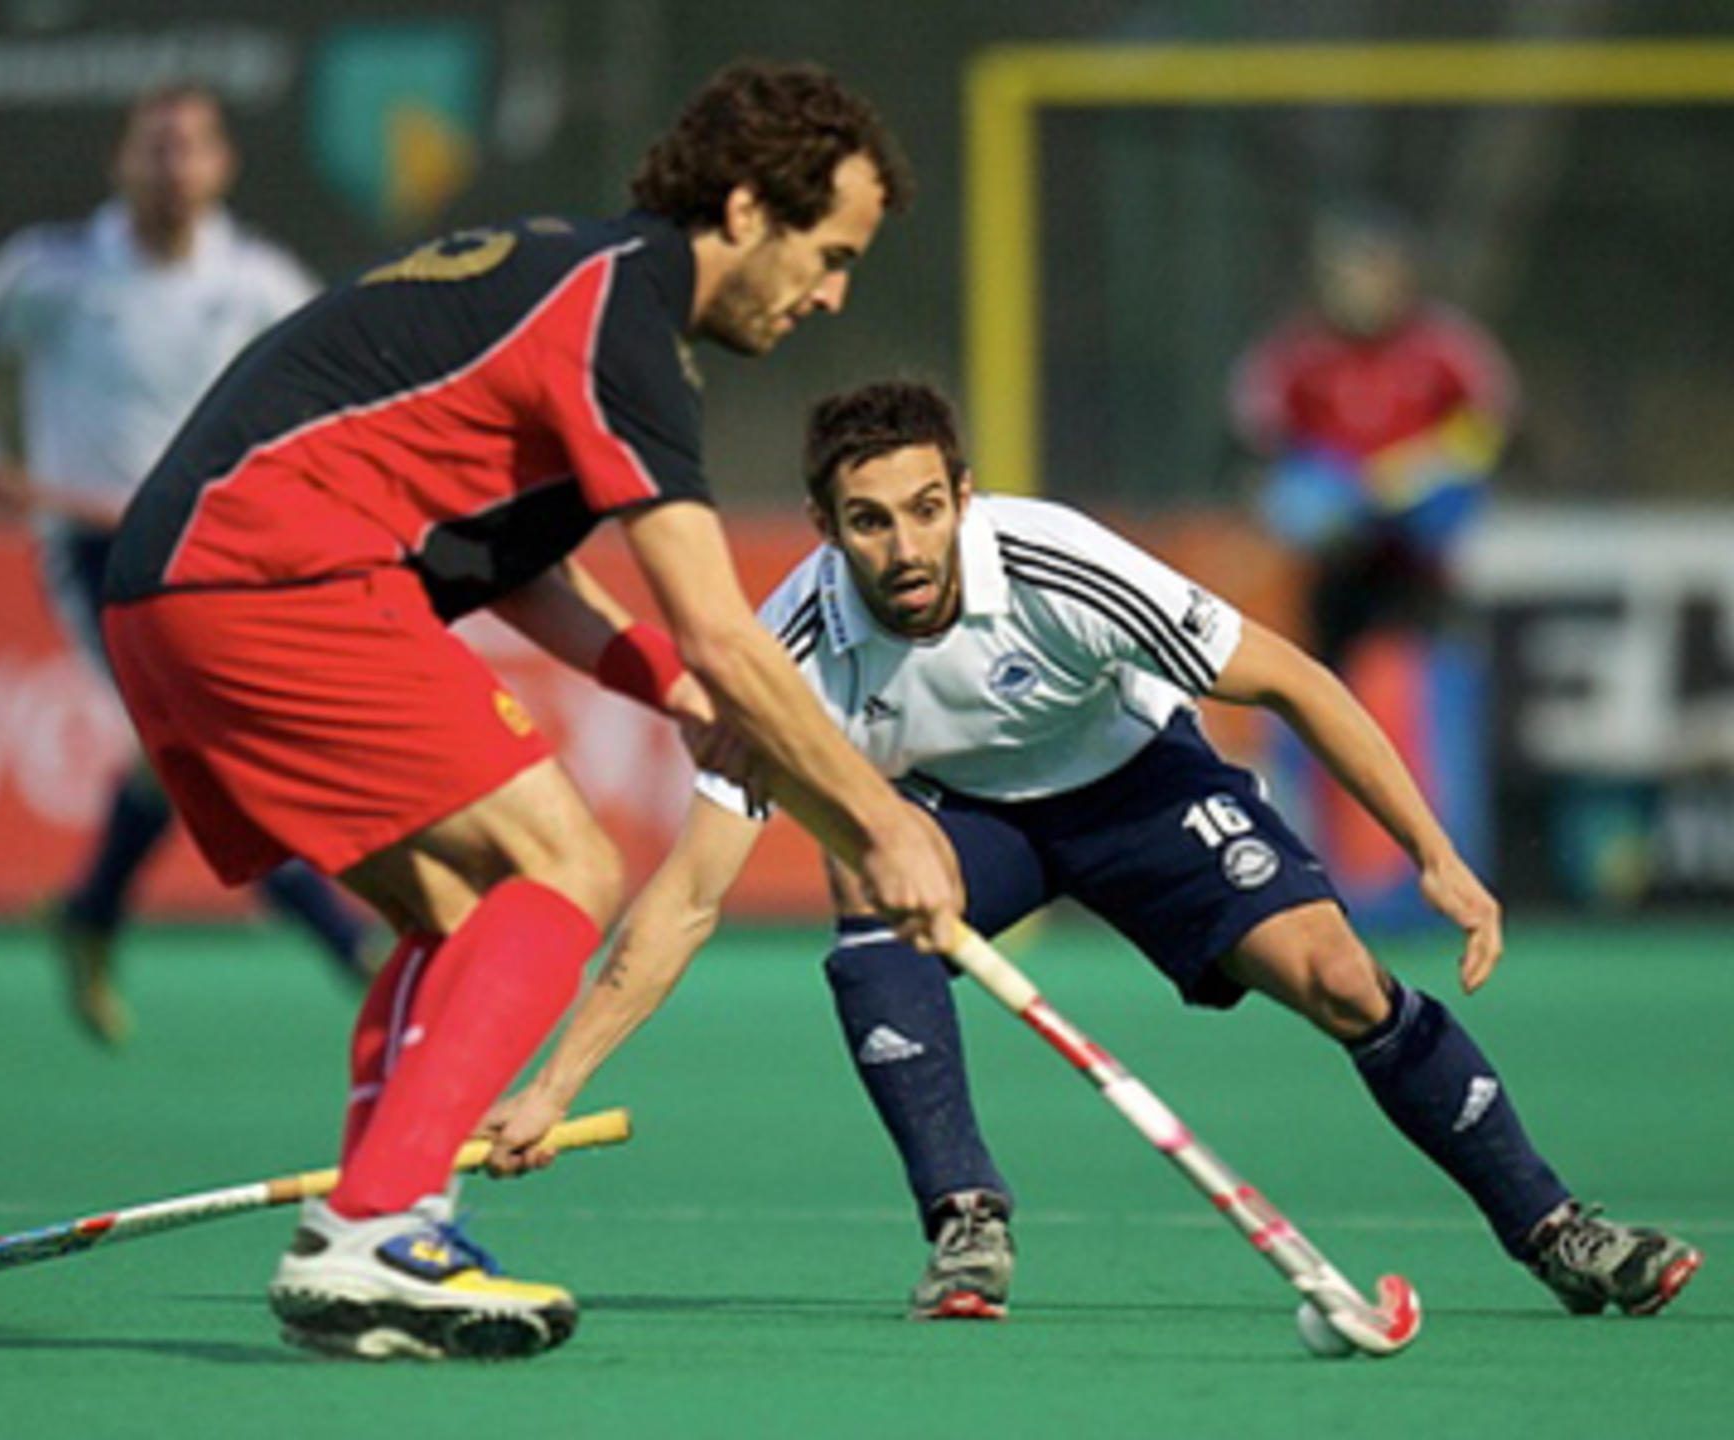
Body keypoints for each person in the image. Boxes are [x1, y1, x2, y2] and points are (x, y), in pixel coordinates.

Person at [482, 379, 1701, 1325]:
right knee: (865, 873)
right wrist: (551, 1083)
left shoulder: (1060, 563)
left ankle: (1556, 1232)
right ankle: (966, 1223)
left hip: (1141, 791)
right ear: (825, 526)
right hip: (970, 822)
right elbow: (687, 899)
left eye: (923, 510)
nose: (903, 550)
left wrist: (1431, 853)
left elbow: (1293, 680)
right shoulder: (791, 640)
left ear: (962, 494)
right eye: (867, 522)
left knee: (1342, 981)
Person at [97, 63, 963, 1361]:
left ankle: (375, 1242)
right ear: (744, 211)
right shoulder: (620, 314)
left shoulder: (585, 290)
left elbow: (525, 570)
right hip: (274, 570)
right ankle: (380, 1218)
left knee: (456, 918)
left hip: (166, 590)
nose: (832, 292)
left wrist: (667, 692)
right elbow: (727, 626)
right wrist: (880, 822)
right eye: (828, 253)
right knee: (568, 863)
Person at [0, 83, 374, 1046]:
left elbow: (329, 380)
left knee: (176, 757)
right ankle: (348, 942)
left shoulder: (255, 278)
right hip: (98, 553)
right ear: (123, 162)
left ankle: (89, 911)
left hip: (219, 551)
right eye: (154, 147)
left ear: (221, 166)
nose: (172, 165)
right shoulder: (57, 268)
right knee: (203, 745)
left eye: (191, 147)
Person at [1228, 206, 1517, 668]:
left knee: (1437, 646)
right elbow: (1258, 431)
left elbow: (1490, 423)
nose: (1360, 290)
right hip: (1336, 542)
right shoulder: (1298, 351)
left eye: (1373, 274)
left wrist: (1420, 469)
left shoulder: (1445, 345)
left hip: (1418, 537)